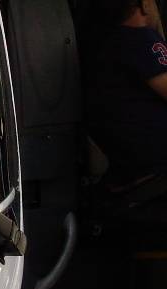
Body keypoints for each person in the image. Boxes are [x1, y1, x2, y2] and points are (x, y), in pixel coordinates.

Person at [85, 0, 167, 180]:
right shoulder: (141, 39)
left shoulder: (108, 42)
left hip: (127, 163)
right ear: (144, 4)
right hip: (154, 165)